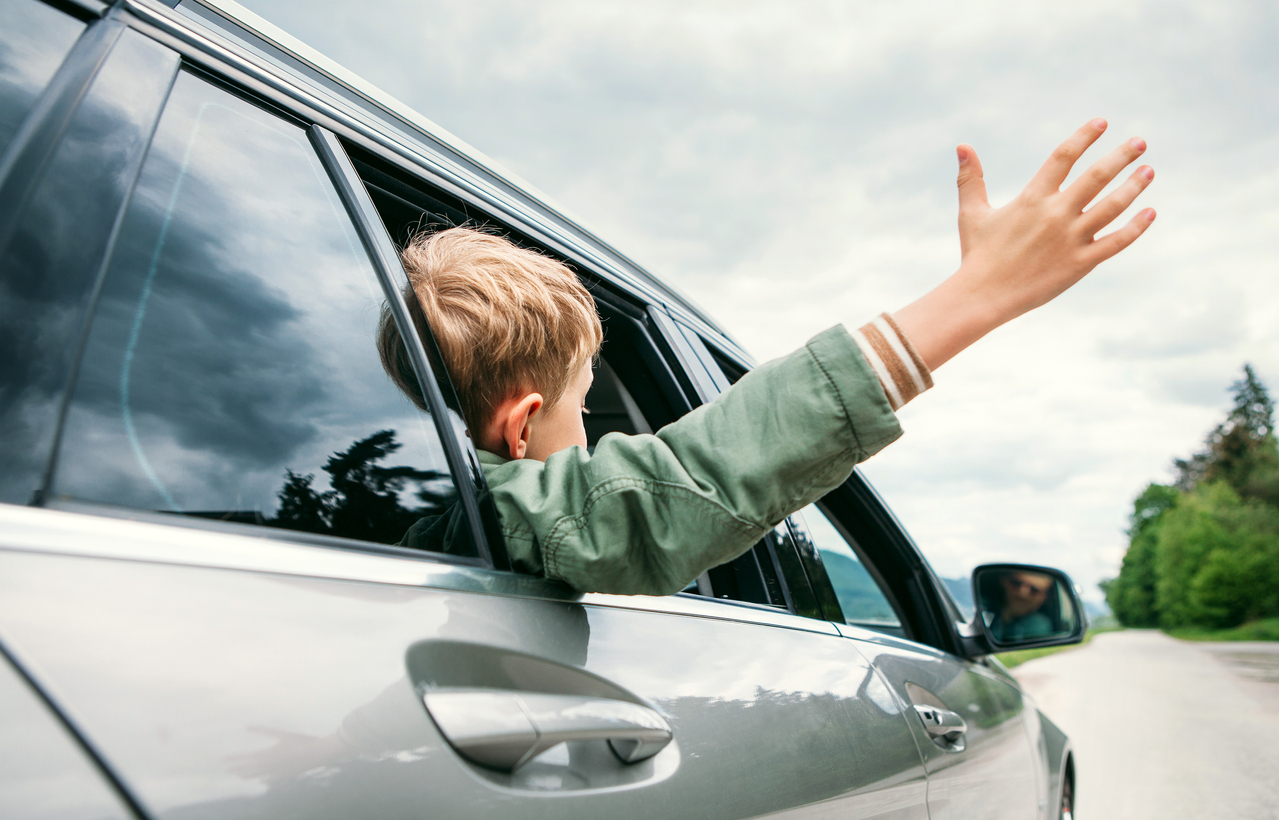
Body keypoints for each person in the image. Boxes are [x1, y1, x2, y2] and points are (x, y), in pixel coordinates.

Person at [378, 119, 1156, 596]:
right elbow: (696, 478)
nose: (592, 436)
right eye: (585, 406)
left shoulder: (412, 535)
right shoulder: (503, 520)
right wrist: (977, 294)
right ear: (522, 432)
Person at [988, 570, 1057, 641]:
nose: (1022, 594)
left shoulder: (1038, 626)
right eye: (1017, 584)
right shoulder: (983, 608)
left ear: (1043, 598)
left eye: (1034, 590)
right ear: (1004, 581)